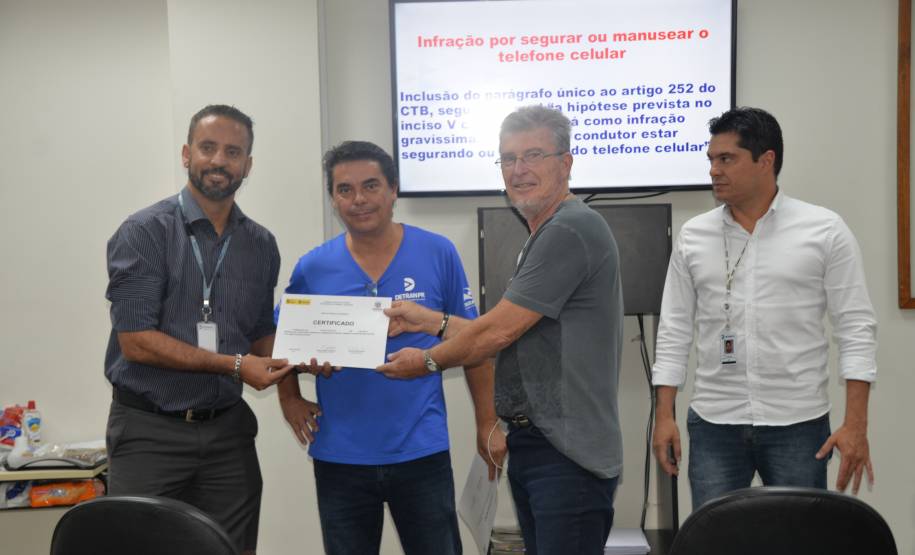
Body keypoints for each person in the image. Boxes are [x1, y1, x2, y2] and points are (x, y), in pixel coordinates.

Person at [378, 105, 624, 555]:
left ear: (566, 162)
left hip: (566, 456)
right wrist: (428, 320)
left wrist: (426, 361)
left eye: (533, 155)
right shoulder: (543, 233)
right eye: (508, 159)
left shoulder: (569, 229)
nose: (518, 169)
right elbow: (512, 332)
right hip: (539, 445)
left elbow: (497, 335)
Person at [275, 140, 503, 555]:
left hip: (421, 451)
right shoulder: (314, 267)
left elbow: (475, 342)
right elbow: (281, 340)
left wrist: (486, 422)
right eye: (345, 190)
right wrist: (290, 395)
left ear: (393, 189)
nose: (359, 200)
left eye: (371, 186)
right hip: (340, 456)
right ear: (333, 199)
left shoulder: (438, 252)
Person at [650, 106, 878, 510]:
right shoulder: (694, 235)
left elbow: (856, 328)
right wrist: (663, 415)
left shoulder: (824, 230)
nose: (714, 170)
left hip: (798, 422)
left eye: (727, 159)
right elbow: (674, 329)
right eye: (711, 159)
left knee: (798, 537)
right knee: (715, 538)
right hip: (715, 423)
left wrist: (855, 424)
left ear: (766, 160)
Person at [104, 104, 293, 555]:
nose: (219, 161)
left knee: (230, 549)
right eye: (208, 148)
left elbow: (259, 332)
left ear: (247, 165)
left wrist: (304, 360)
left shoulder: (261, 244)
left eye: (233, 152)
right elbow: (136, 341)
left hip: (228, 436)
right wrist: (235, 365)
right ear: (187, 154)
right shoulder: (144, 232)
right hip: (149, 432)